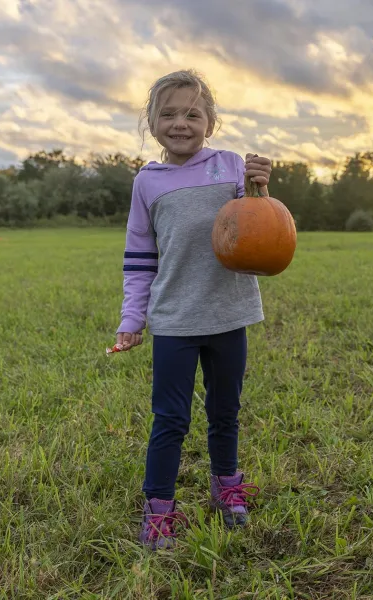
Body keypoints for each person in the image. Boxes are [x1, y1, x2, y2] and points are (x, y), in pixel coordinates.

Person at [114, 69, 272, 550]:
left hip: (229, 314)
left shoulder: (229, 167)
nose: (180, 123)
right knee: (170, 418)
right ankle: (159, 508)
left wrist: (260, 185)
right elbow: (140, 258)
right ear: (151, 122)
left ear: (210, 121)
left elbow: (259, 225)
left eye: (192, 113)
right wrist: (131, 319)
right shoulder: (148, 182)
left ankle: (227, 486)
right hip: (175, 321)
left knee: (226, 411)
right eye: (168, 114)